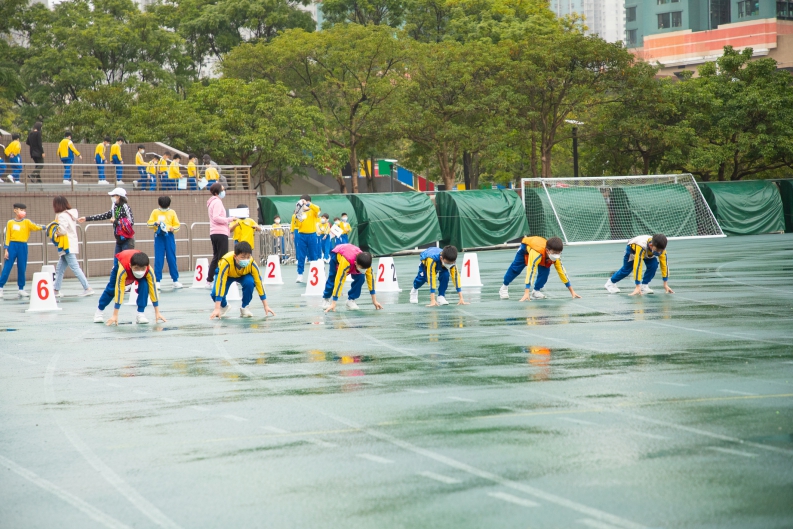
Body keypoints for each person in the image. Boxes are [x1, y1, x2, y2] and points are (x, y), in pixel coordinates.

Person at [95, 249, 166, 326]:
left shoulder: (149, 270)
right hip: (121, 262)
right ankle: (99, 311)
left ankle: (141, 313)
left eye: (142, 269)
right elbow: (119, 290)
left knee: (145, 285)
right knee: (112, 289)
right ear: (130, 266)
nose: (140, 271)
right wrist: (115, 315)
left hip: (135, 265)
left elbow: (153, 289)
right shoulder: (123, 269)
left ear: (147, 266)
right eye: (136, 268)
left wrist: (157, 312)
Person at [499, 236, 581, 301]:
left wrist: (572, 291)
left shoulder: (556, 258)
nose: (556, 255)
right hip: (525, 249)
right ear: (548, 251)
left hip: (543, 255)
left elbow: (562, 272)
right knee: (515, 269)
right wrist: (526, 292)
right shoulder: (537, 253)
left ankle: (536, 291)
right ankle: (504, 287)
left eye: (559, 253)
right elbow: (531, 270)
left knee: (545, 273)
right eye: (554, 253)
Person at [209, 241, 275, 319]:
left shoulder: (252, 263)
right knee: (215, 293)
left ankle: (245, 308)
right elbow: (221, 283)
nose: (246, 259)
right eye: (242, 257)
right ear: (235, 256)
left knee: (250, 282)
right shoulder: (226, 262)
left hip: (243, 275)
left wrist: (266, 305)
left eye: (248, 257)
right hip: (227, 275)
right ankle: (224, 306)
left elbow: (259, 283)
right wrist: (217, 308)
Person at [51, 196, 93, 298]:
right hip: (70, 244)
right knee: (60, 269)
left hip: (66, 245)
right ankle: (56, 290)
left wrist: (54, 233)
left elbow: (62, 230)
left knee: (74, 268)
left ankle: (87, 288)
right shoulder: (70, 214)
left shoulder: (62, 216)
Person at [605, 234, 674, 295]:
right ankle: (610, 283)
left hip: (648, 252)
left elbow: (664, 264)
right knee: (626, 270)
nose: (659, 252)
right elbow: (638, 265)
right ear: (651, 245)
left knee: (653, 265)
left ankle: (644, 286)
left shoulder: (661, 248)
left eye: (660, 251)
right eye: (657, 251)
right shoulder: (641, 245)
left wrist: (665, 284)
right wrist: (637, 286)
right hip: (633, 250)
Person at [322, 243, 382, 312]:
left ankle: (351, 300)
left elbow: (371, 280)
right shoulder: (346, 263)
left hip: (352, 256)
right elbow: (339, 280)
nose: (364, 270)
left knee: (361, 278)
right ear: (356, 263)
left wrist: (374, 301)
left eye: (365, 268)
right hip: (337, 255)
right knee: (333, 279)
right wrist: (334, 303)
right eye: (362, 268)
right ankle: (326, 298)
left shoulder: (366, 264)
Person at [79, 188, 135, 260]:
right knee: (116, 263)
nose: (112, 197)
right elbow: (104, 215)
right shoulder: (115, 207)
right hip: (119, 239)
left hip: (127, 240)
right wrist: (86, 218)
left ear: (118, 196)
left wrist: (116, 221)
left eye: (113, 195)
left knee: (125, 262)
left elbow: (131, 222)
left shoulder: (125, 206)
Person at [0, 203, 43, 298]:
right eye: (21, 210)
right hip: (12, 245)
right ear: (15, 210)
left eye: (24, 210)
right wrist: (6, 250)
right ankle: (0, 287)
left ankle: (21, 288)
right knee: (7, 267)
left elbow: (35, 227)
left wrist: (45, 227)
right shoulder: (10, 222)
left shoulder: (27, 222)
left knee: (22, 267)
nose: (23, 212)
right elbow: (7, 236)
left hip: (23, 245)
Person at [147, 196, 182, 290]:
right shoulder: (155, 212)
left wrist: (173, 229)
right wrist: (155, 223)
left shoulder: (172, 212)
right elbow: (149, 223)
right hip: (159, 236)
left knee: (171, 258)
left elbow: (177, 225)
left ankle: (175, 280)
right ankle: (157, 280)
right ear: (159, 204)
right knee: (159, 258)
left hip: (169, 236)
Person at [206, 182, 233, 288]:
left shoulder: (212, 202)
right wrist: (229, 219)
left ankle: (209, 280)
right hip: (220, 232)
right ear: (217, 192)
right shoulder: (217, 202)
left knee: (217, 256)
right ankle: (221, 278)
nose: (224, 191)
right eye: (222, 190)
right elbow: (216, 217)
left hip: (214, 232)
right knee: (223, 257)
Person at [294, 195, 320, 283]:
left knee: (313, 255)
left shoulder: (313, 211)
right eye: (301, 202)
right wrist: (297, 216)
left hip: (312, 235)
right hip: (302, 235)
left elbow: (318, 209)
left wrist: (308, 204)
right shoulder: (299, 212)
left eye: (304, 202)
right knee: (301, 256)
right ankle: (300, 274)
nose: (303, 204)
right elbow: (297, 225)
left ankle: (314, 274)